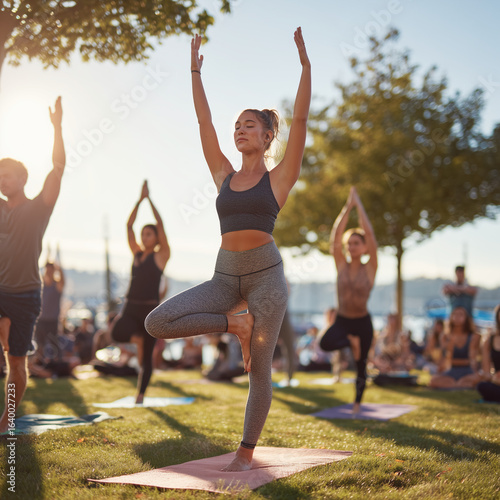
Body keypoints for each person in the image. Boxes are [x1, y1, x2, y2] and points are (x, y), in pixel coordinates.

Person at [145, 28, 311, 471]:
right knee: (157, 322)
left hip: (266, 277)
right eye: (236, 126)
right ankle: (232, 323)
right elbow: (203, 122)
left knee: (260, 369)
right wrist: (195, 71)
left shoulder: (279, 178)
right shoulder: (222, 174)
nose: (239, 130)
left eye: (248, 125)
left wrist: (305, 67)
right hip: (224, 276)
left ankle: (245, 452)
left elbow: (301, 123)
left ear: (266, 136)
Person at [0, 97, 65, 433]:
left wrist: (56, 128)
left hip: (25, 294)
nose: (2, 180)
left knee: (15, 361)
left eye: (7, 175)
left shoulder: (38, 208)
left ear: (23, 179)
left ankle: (6, 420)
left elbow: (57, 169)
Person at [110, 180, 170, 404]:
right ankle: (137, 340)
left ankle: (141, 394)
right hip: (131, 306)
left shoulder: (161, 256)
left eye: (149, 235)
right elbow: (128, 226)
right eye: (143, 234)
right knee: (115, 332)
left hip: (149, 310)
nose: (144, 237)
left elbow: (161, 225)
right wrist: (139, 200)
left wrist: (150, 201)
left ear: (156, 239)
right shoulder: (136, 254)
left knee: (147, 359)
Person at [319, 186, 377, 414]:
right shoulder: (341, 265)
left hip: (362, 321)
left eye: (356, 243)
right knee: (325, 344)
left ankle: (356, 404)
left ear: (364, 248)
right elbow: (335, 236)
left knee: (361, 365)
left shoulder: (371, 267)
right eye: (349, 243)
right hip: (343, 320)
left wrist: (359, 206)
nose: (351, 246)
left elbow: (370, 235)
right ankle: (350, 342)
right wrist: (347, 208)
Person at [429, 306, 481, 389]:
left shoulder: (473, 336)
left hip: (467, 371)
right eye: (455, 314)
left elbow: (472, 361)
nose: (457, 317)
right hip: (452, 371)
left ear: (466, 318)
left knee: (477, 379)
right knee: (433, 380)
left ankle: (456, 385)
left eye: (460, 315)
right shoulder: (445, 336)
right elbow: (443, 360)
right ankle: (459, 385)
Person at [34, 261, 65, 359]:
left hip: (52, 321)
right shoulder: (40, 284)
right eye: (47, 269)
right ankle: (39, 364)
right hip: (40, 320)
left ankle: (56, 363)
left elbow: (63, 281)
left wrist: (59, 268)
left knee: (54, 344)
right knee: (39, 344)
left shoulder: (57, 285)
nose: (49, 272)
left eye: (51, 270)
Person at [476, 305, 500, 403]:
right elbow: (486, 372)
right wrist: (494, 378)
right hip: (497, 382)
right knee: (482, 386)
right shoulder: (489, 340)